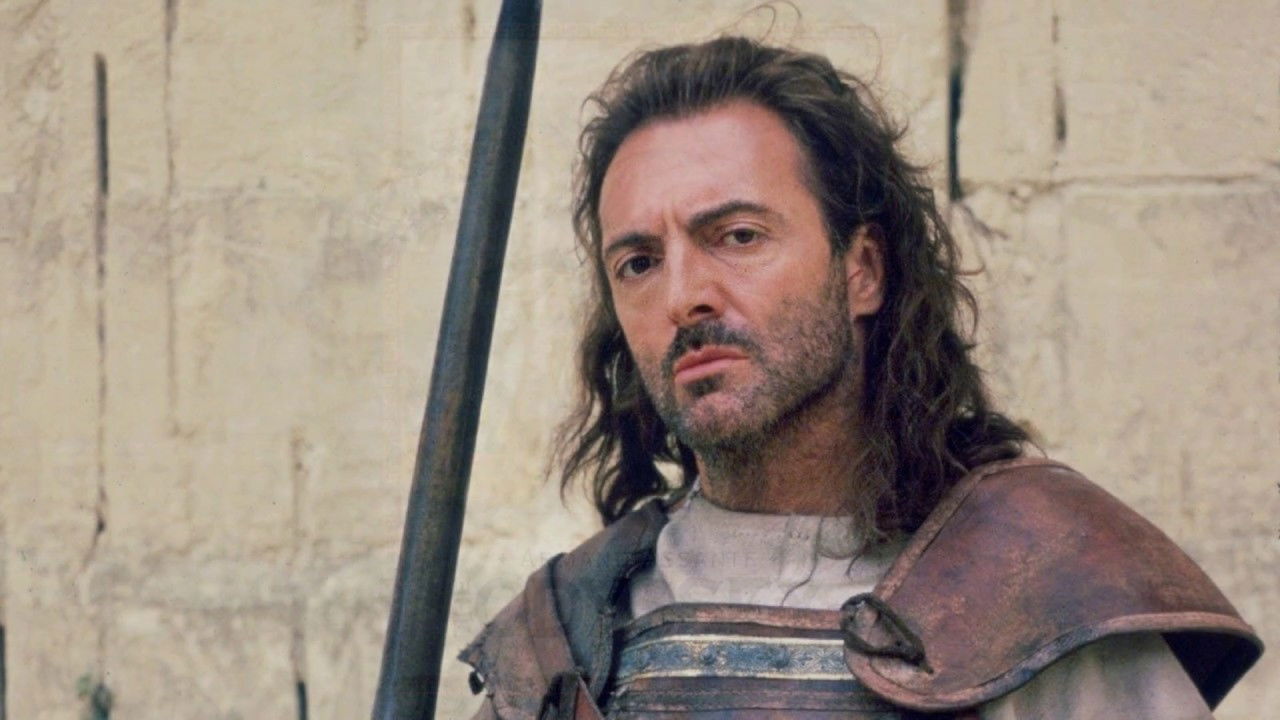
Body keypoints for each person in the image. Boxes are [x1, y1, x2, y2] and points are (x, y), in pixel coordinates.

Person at [460, 37, 1261, 719]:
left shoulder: (1044, 590)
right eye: (639, 262)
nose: (682, 296)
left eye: (737, 236)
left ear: (863, 271)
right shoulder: (565, 643)